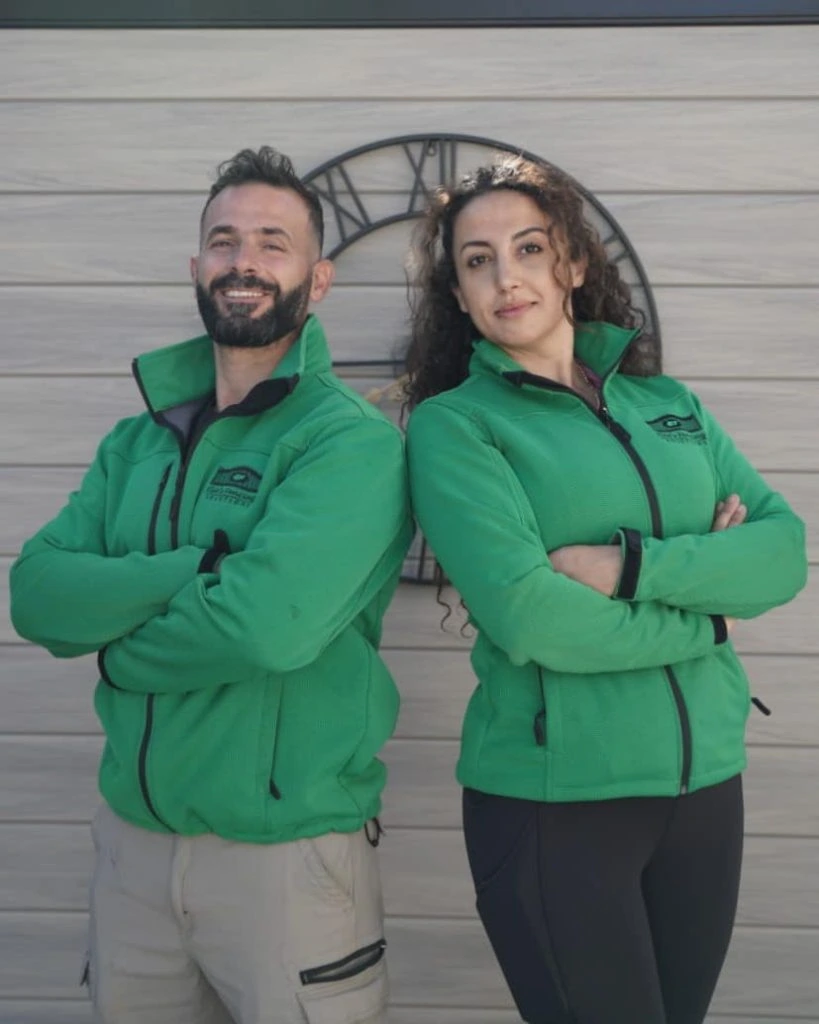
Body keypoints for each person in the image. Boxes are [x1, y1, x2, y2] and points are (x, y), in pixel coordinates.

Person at [10, 147, 412, 1024]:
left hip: (285, 861)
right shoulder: (135, 440)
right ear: (196, 267)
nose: (245, 260)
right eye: (224, 240)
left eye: (274, 241)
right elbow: (37, 594)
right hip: (132, 853)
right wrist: (196, 568)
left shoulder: (348, 443)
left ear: (320, 277)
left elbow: (264, 627)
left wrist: (116, 652)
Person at [403, 156, 807, 1024]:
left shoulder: (669, 405)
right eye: (477, 261)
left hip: (705, 793)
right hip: (558, 805)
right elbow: (531, 616)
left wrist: (631, 569)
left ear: (572, 265)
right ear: (460, 296)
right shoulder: (455, 428)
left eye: (527, 248)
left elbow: (782, 553)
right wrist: (707, 619)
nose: (506, 276)